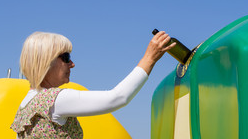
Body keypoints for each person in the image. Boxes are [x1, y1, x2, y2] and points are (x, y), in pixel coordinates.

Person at [11, 31, 175, 138]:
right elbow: (117, 98)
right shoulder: (54, 100)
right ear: (47, 61)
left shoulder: (25, 106)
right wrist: (150, 58)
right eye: (66, 58)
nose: (72, 64)